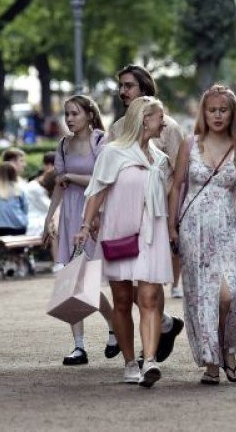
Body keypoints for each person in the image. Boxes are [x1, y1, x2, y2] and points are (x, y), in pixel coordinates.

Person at [75, 96, 172, 387]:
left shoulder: (161, 160)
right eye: (159, 117)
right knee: (120, 301)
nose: (164, 122)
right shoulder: (113, 153)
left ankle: (150, 360)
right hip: (119, 233)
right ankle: (130, 362)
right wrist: (85, 224)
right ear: (145, 119)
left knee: (149, 298)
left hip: (152, 234)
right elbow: (97, 192)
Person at [168, 85, 236, 385]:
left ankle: (226, 350)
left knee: (228, 295)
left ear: (233, 113)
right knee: (202, 295)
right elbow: (178, 185)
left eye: (223, 110)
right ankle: (211, 361)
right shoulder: (190, 143)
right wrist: (171, 225)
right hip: (194, 228)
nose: (217, 115)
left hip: (227, 229)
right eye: (212, 109)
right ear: (203, 112)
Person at [105, 64, 185, 363]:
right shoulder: (117, 128)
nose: (122, 91)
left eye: (129, 86)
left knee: (149, 282)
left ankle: (148, 347)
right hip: (124, 218)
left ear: (144, 89)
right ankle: (163, 325)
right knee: (126, 288)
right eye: (121, 86)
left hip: (155, 217)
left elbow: (179, 176)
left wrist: (172, 217)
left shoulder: (169, 127)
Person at [44, 95, 118, 367]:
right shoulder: (63, 144)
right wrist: (49, 217)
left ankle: (113, 327)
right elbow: (58, 187)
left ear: (89, 114)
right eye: (66, 114)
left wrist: (71, 177)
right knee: (72, 282)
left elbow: (104, 178)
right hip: (70, 214)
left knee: (85, 281)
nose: (69, 119)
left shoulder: (100, 140)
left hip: (94, 212)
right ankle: (79, 346)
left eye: (74, 113)